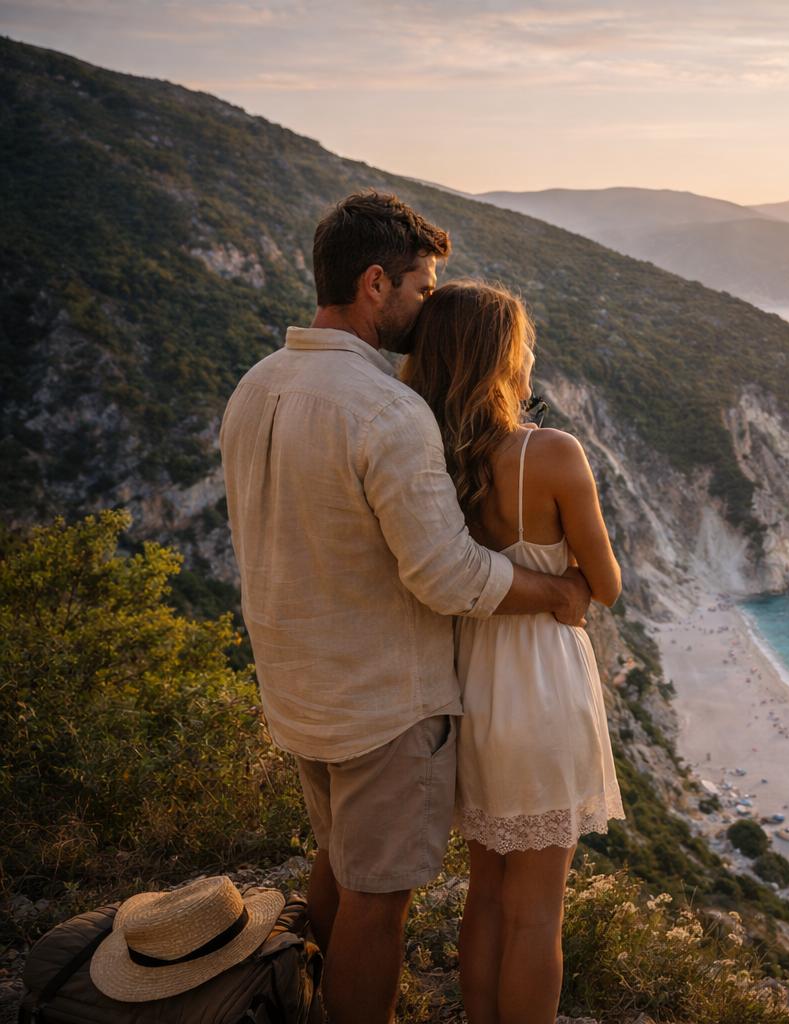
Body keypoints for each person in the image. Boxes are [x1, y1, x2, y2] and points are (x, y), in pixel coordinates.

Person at [220, 191, 592, 1024]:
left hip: (295, 690)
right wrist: (558, 592)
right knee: (377, 904)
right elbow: (448, 576)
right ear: (376, 284)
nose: (428, 309)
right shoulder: (386, 409)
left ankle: (298, 998)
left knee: (337, 864)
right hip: (381, 703)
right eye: (423, 288)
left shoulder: (256, 386)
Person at [402, 280, 624, 1024]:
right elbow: (608, 584)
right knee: (538, 912)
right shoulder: (552, 454)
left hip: (469, 685)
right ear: (503, 360)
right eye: (523, 348)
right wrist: (568, 580)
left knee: (488, 893)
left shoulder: (426, 457)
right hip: (542, 688)